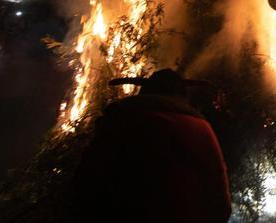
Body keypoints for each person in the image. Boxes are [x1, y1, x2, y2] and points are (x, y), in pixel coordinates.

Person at [75, 69, 231, 223]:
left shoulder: (122, 117)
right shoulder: (203, 129)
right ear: (183, 96)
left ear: (145, 90)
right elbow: (222, 206)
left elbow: (85, 182)